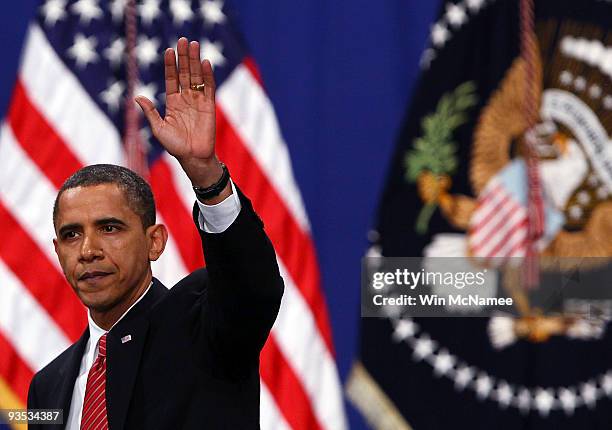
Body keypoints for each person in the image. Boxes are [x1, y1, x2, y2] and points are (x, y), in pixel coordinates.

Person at [26, 37, 284, 430]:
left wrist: (207, 176)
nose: (89, 250)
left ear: (155, 241)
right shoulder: (46, 388)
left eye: (109, 228)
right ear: (57, 251)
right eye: (72, 235)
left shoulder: (203, 326)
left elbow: (254, 287)